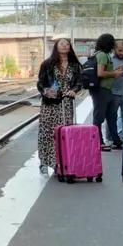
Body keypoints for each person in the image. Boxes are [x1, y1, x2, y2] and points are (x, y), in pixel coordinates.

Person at [36, 37, 82, 175]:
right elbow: (40, 83)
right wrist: (46, 91)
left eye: (67, 44)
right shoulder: (47, 64)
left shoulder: (75, 65)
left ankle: (62, 162)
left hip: (66, 103)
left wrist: (73, 90)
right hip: (50, 104)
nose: (65, 46)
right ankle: (44, 162)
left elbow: (79, 83)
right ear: (56, 46)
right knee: (47, 133)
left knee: (64, 133)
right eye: (62, 44)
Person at [90, 33, 123, 150]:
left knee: (111, 116)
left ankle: (116, 140)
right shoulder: (102, 55)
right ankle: (98, 141)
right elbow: (100, 73)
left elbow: (104, 71)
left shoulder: (103, 55)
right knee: (99, 117)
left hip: (107, 89)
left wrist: (115, 71)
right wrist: (115, 74)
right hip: (101, 89)